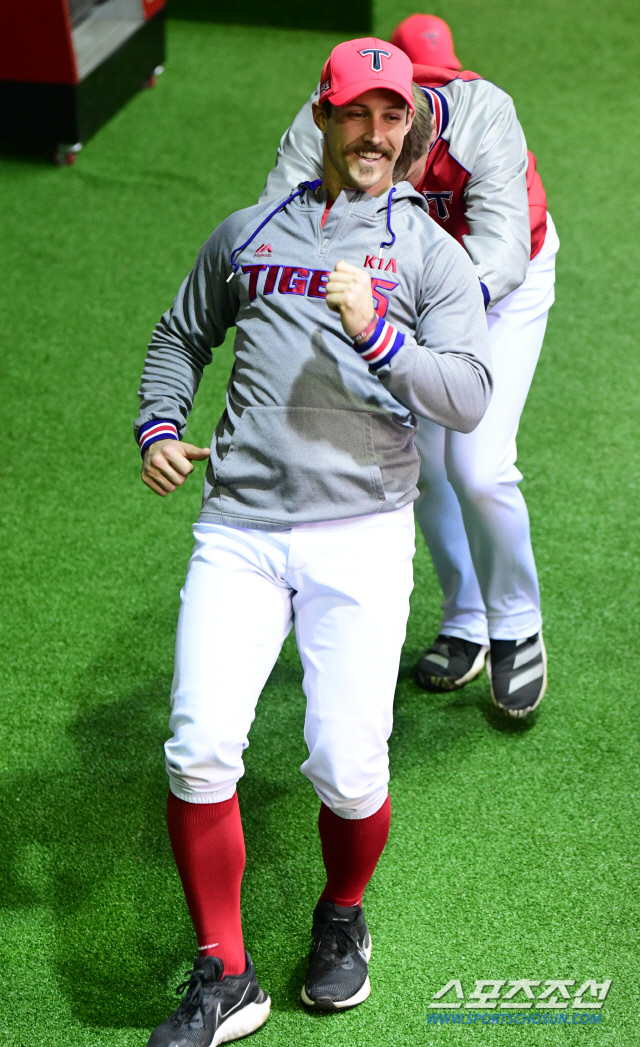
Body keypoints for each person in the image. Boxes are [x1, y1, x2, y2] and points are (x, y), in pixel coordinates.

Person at [136, 36, 491, 1047]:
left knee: (347, 767)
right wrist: (159, 425)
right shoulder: (250, 230)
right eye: (357, 113)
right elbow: (181, 334)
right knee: (200, 750)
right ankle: (226, 973)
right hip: (239, 528)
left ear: (409, 129)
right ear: (325, 116)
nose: (375, 132)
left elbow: (468, 394)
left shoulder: (430, 254)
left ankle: (342, 911)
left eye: (392, 116)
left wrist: (381, 335)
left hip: (362, 534)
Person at [260, 13, 559, 718]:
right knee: (422, 461)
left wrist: (418, 327)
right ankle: (467, 617)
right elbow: (275, 225)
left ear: (422, 144)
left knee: (479, 466)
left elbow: (502, 255)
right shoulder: (327, 123)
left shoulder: (485, 118)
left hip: (499, 289)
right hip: (401, 288)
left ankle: (516, 622)